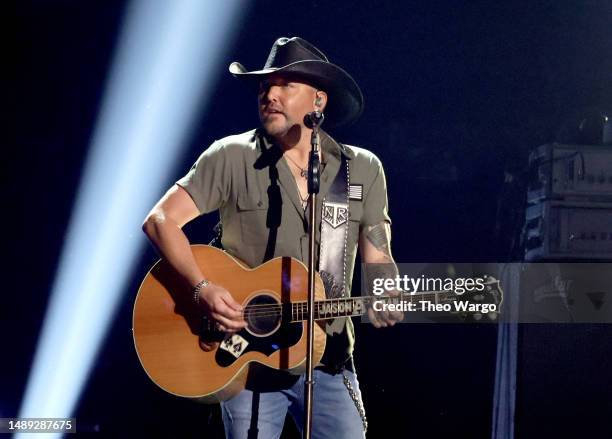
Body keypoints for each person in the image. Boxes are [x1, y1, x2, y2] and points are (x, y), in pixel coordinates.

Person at [142, 36, 402, 439]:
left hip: (327, 358)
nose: (270, 95)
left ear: (319, 101)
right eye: (265, 86)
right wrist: (203, 288)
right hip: (246, 362)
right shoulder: (230, 156)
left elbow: (377, 255)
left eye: (285, 85)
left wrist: (387, 292)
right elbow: (160, 220)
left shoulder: (361, 169)